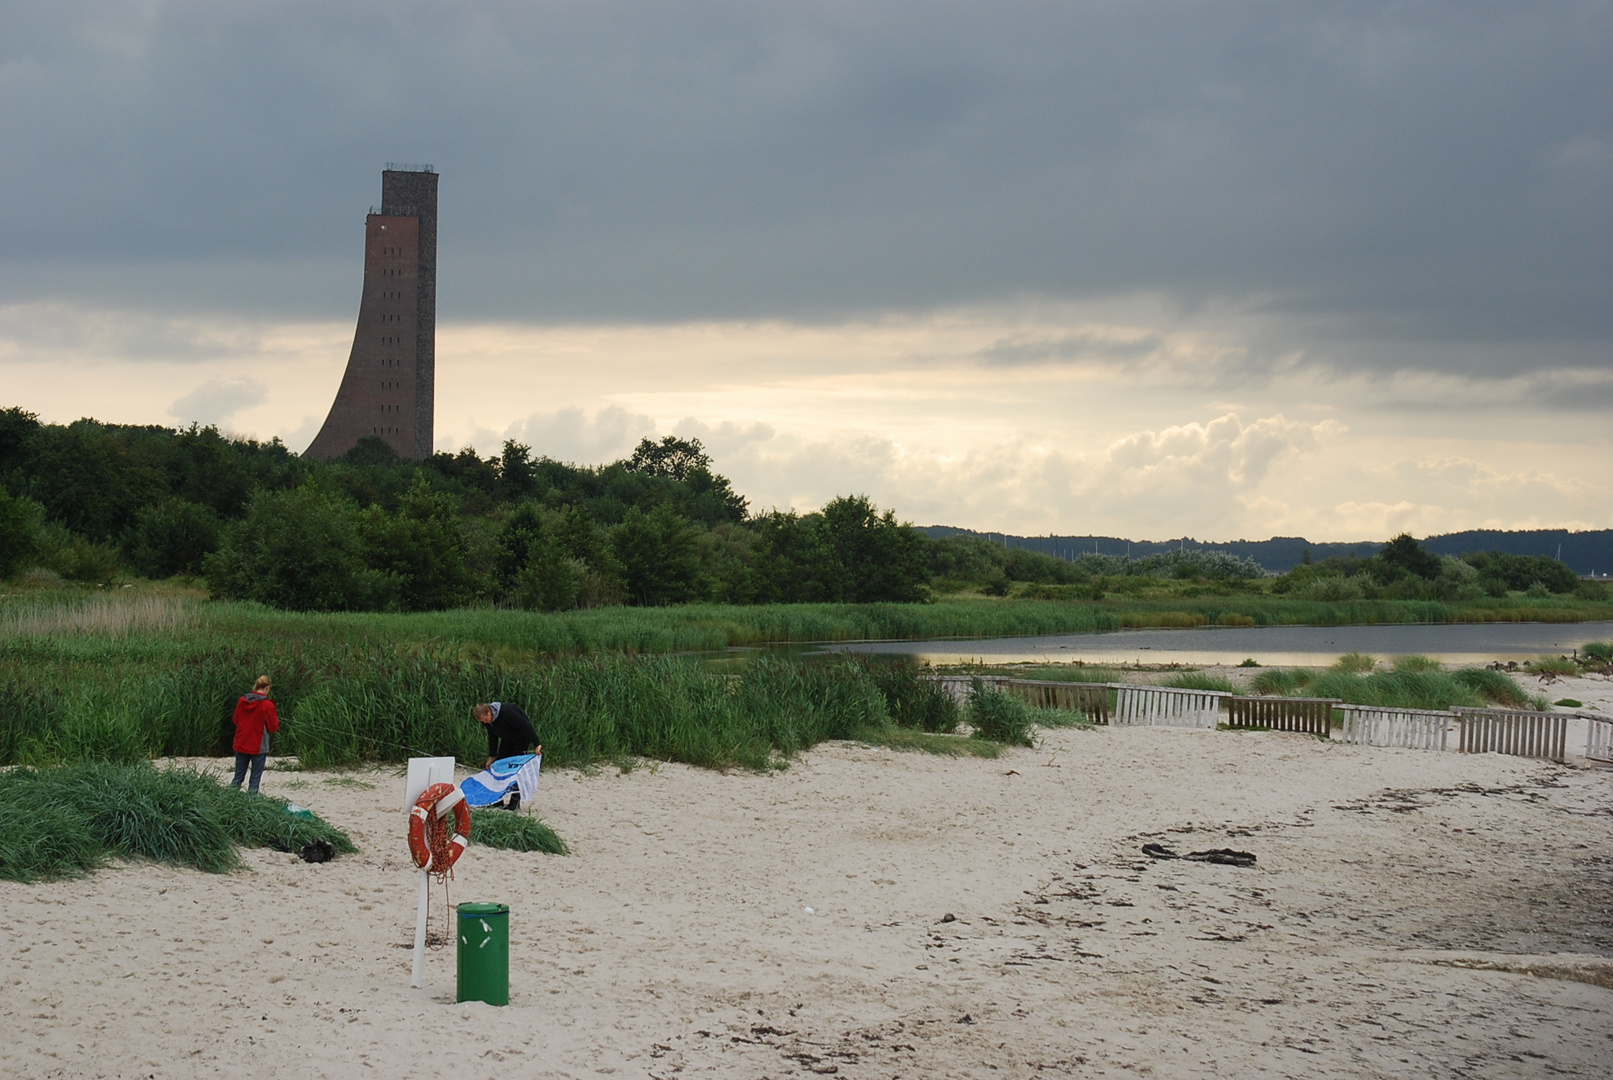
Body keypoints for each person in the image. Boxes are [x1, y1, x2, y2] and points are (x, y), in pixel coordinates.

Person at [473, 701, 540, 810]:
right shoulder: (487, 722)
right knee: (499, 765)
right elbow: (492, 738)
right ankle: (498, 801)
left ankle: (514, 802)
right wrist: (491, 757)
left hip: (522, 738)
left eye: (485, 719)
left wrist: (537, 744)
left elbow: (527, 726)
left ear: (489, 712)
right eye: (482, 721)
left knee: (515, 769)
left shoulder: (506, 712)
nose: (484, 722)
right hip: (508, 739)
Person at [230, 675, 280, 793]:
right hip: (258, 746)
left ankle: (227, 801)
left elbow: (236, 720)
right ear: (267, 688)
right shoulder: (267, 705)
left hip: (241, 742)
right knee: (255, 779)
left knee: (238, 777)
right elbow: (273, 727)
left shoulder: (242, 701)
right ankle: (251, 805)